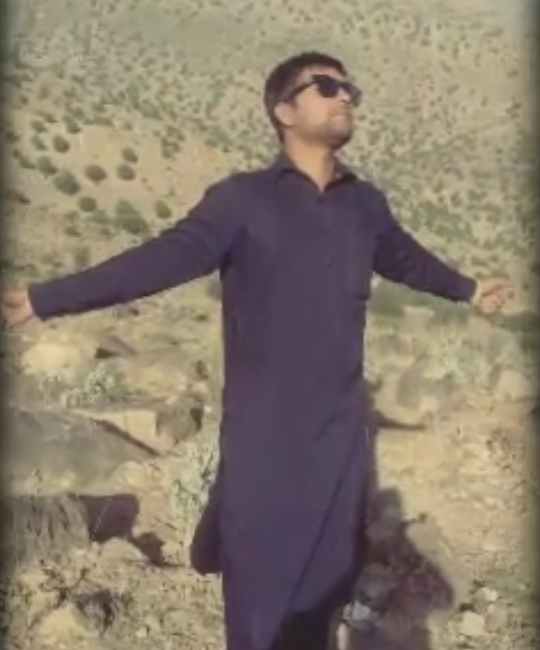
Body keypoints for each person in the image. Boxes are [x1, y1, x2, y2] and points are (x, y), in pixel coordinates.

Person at [1, 52, 512, 650]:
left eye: (349, 88)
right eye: (326, 85)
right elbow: (158, 261)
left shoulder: (365, 205)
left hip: (341, 437)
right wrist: (44, 298)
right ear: (284, 111)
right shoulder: (242, 201)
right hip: (264, 435)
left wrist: (468, 289)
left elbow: (406, 259)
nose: (344, 96)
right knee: (260, 596)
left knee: (325, 589)